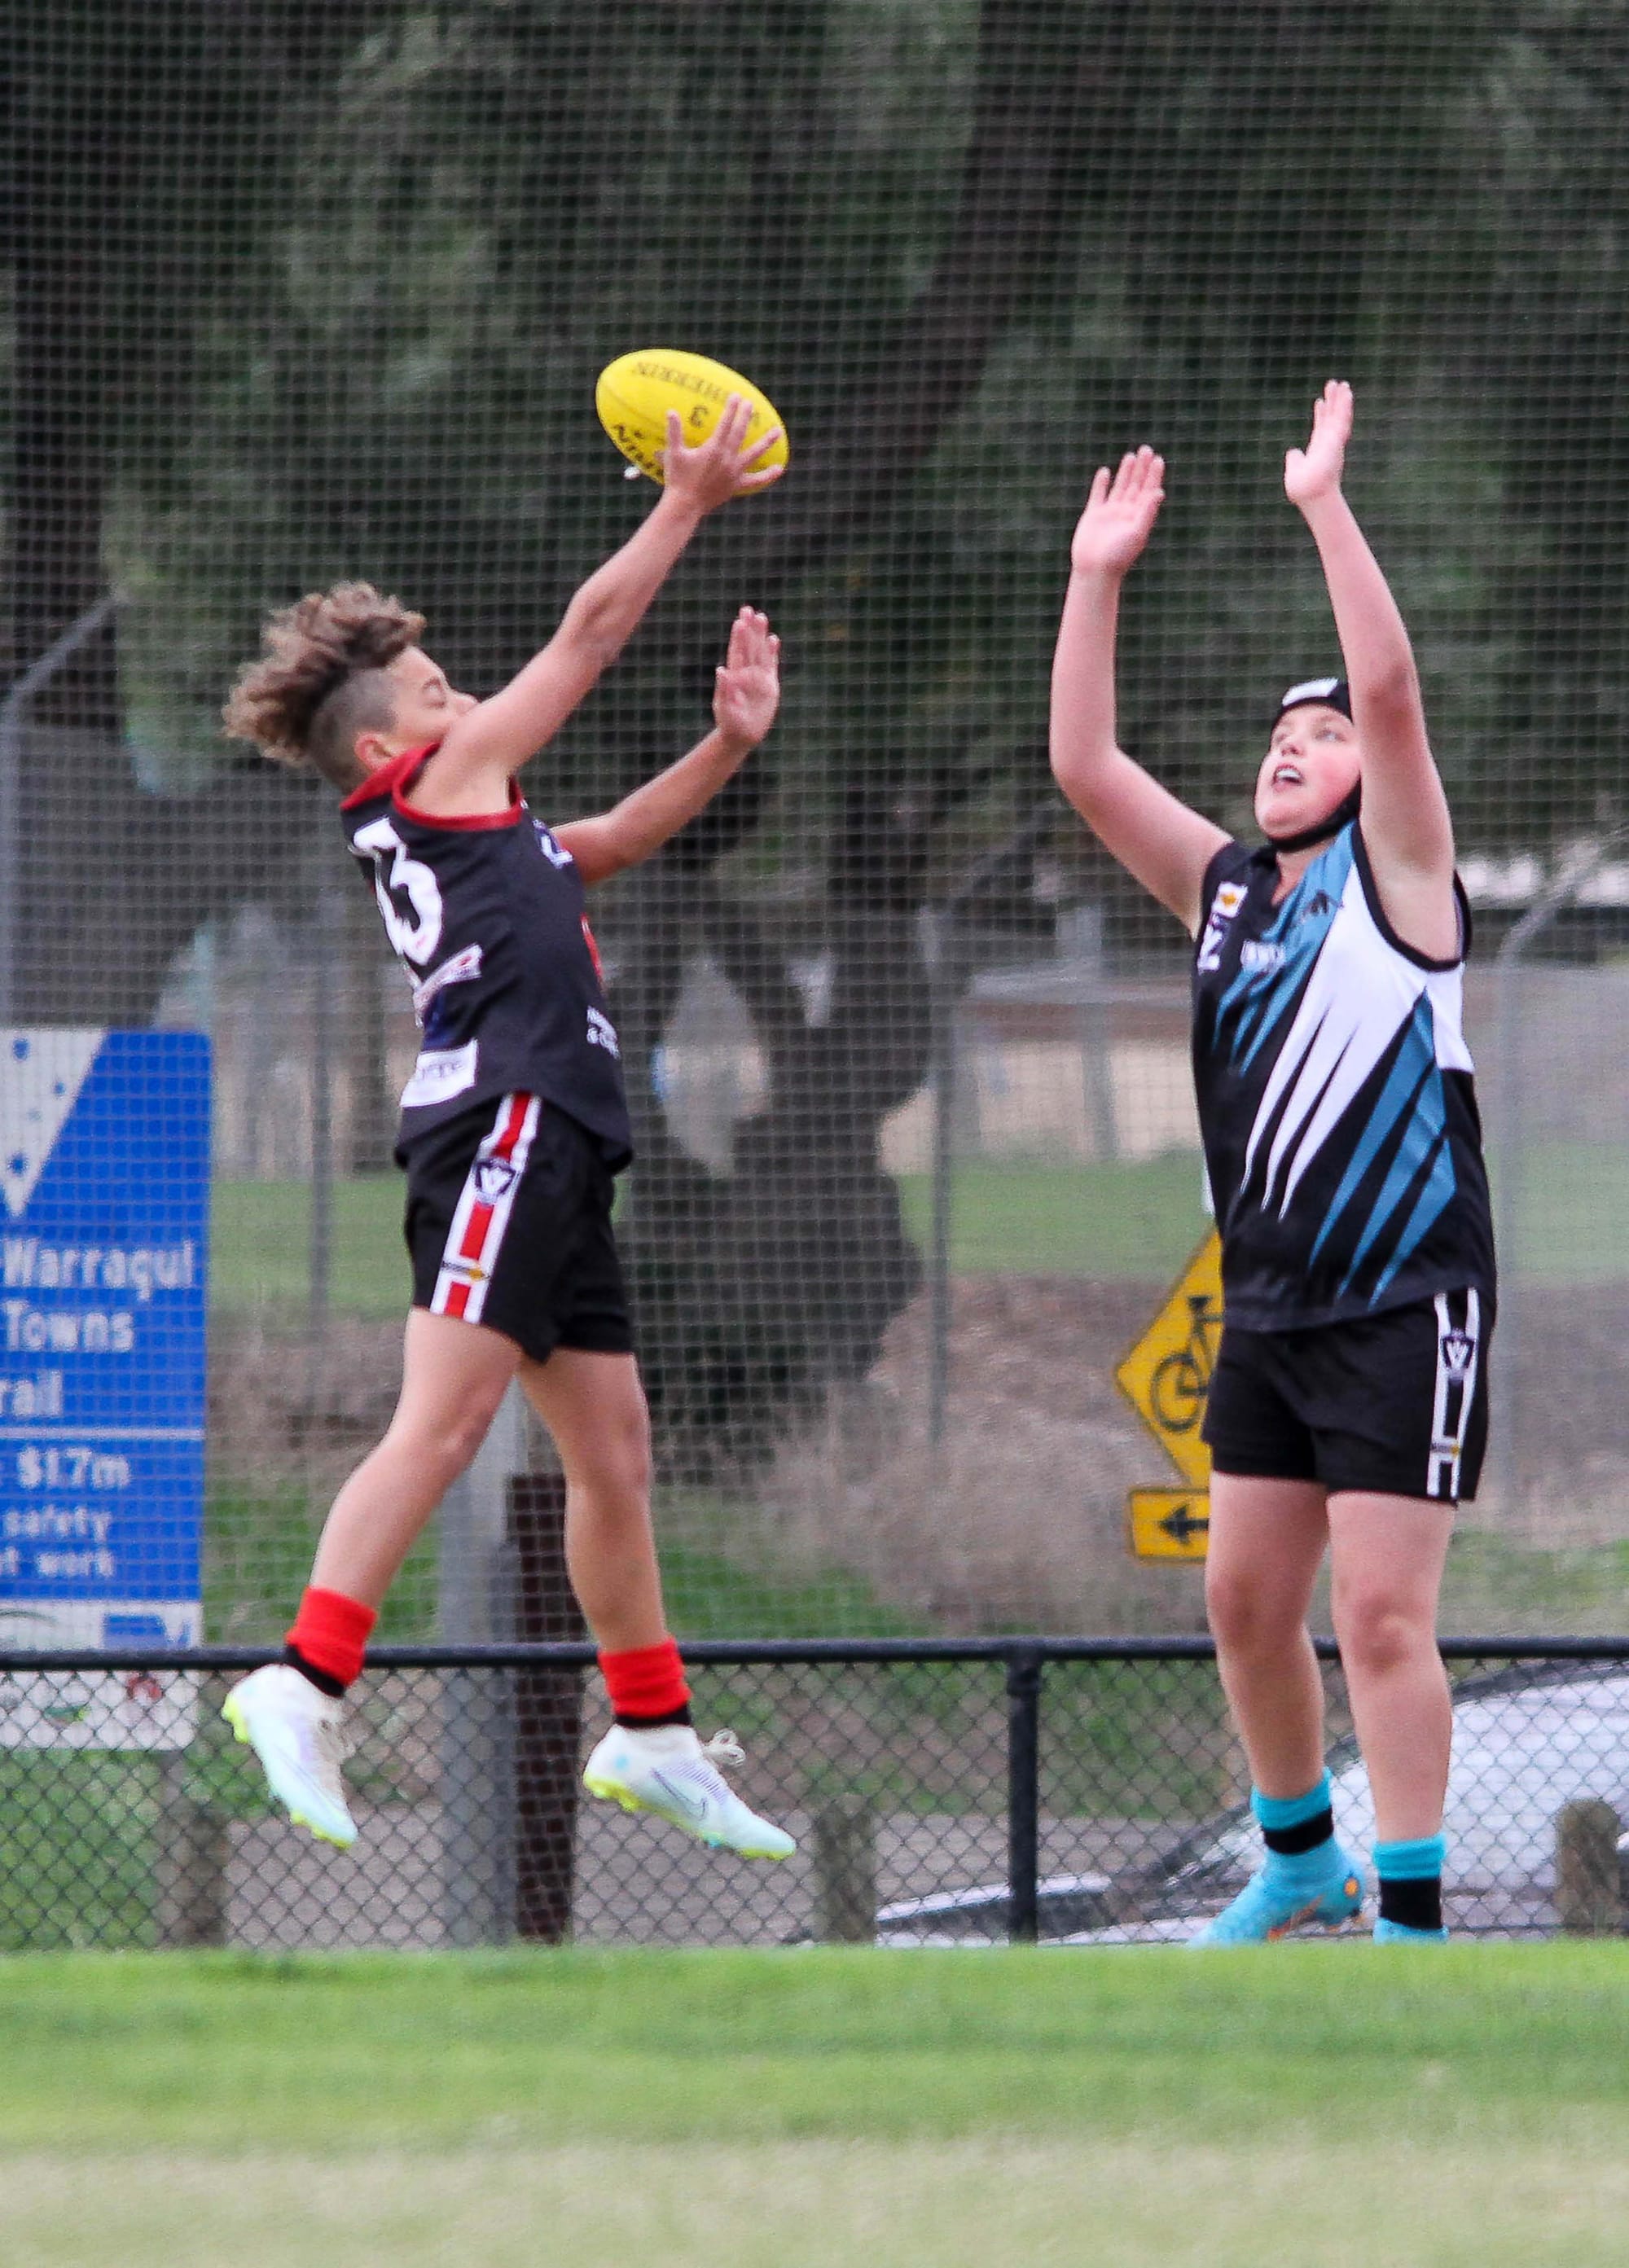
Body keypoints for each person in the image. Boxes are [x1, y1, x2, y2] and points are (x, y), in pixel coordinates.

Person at [219, 396, 795, 1862]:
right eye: (436, 689)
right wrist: (684, 502)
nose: (465, 695)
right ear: (382, 745)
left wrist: (728, 745)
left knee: (615, 1451)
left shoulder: (493, 821)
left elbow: (615, 840)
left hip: (559, 1136)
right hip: (503, 1121)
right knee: (448, 1420)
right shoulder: (435, 785)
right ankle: (303, 1680)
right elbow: (588, 638)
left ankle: (653, 1731)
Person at [1051, 383, 1495, 1943]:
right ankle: (1302, 1859)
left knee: (1380, 1615)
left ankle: (1414, 1926)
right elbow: (1085, 762)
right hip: (1273, 1303)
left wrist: (1323, 506)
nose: (1294, 747)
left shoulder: (1405, 876)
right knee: (1244, 1602)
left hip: (1407, 1297)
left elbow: (1391, 687)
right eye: (1278, 736)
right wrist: (1096, 577)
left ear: (1372, 772)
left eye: (1322, 735)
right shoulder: (1226, 892)